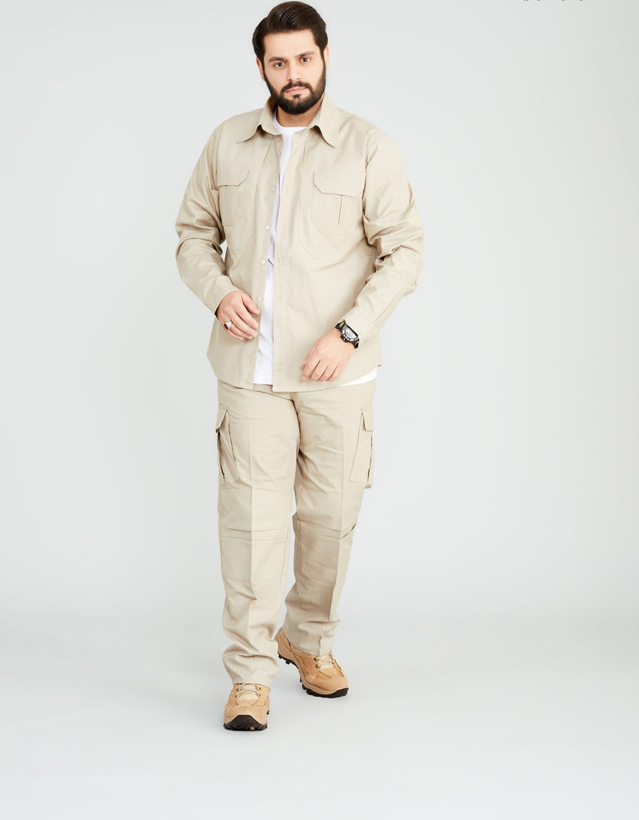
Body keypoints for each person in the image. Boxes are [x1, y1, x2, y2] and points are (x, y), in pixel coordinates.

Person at [175, 1, 424, 731]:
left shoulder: (368, 147)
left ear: (325, 58)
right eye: (278, 61)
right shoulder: (226, 143)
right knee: (253, 526)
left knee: (330, 520)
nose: (293, 74)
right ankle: (250, 675)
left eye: (304, 59)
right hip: (249, 372)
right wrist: (218, 293)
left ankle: (308, 642)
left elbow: (404, 250)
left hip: (336, 373)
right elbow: (192, 236)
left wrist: (350, 331)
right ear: (261, 66)